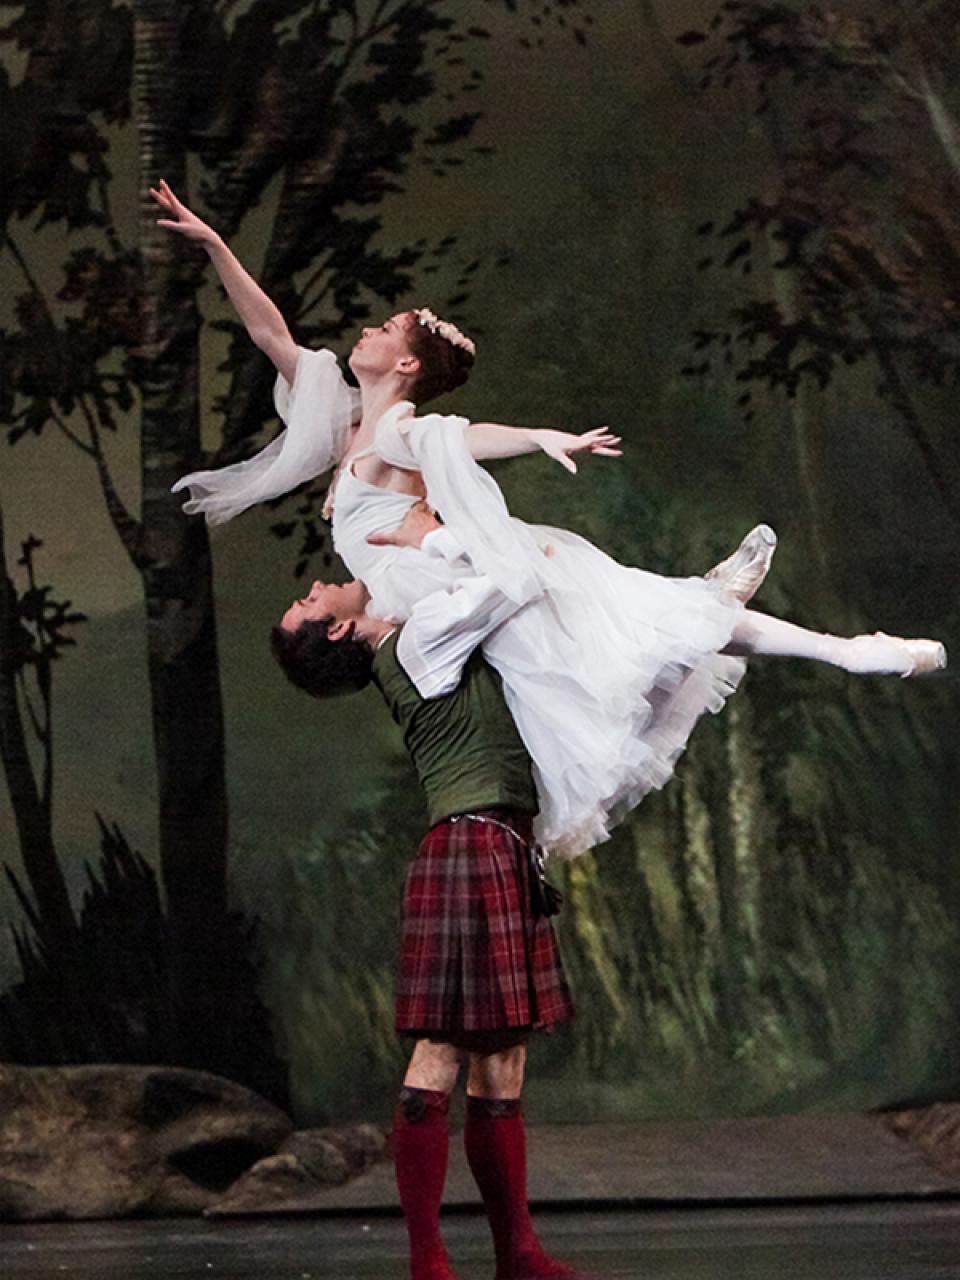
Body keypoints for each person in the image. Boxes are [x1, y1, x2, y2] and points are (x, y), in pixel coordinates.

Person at [154, 181, 948, 859]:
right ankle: (819, 643)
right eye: (384, 326)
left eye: (385, 329)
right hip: (436, 575)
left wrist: (536, 438)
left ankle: (830, 645)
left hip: (449, 569)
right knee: (646, 630)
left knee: (650, 628)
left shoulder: (391, 430)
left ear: (404, 367)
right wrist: (215, 245)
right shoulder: (349, 426)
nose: (368, 330)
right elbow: (269, 334)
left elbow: (459, 436)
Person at [270, 502, 582, 1280]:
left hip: (501, 842)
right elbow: (511, 574)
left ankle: (519, 1256)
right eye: (309, 601)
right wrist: (430, 534)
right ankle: (428, 1264)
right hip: (473, 845)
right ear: (337, 632)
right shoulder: (416, 642)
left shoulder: (413, 629)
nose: (317, 584)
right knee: (442, 1047)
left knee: (502, 1059)